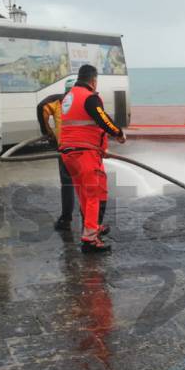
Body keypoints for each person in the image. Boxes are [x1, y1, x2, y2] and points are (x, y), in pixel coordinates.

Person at [59, 64, 127, 253]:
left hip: (69, 153)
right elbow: (102, 119)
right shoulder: (89, 97)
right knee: (93, 194)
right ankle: (90, 239)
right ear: (94, 80)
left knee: (84, 193)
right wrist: (118, 133)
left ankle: (91, 228)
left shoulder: (69, 97)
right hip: (85, 153)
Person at [37, 78, 77, 231]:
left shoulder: (58, 101)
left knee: (67, 184)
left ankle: (66, 219)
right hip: (85, 150)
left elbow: (41, 107)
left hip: (65, 149)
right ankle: (92, 222)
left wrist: (48, 133)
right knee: (88, 185)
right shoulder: (88, 100)